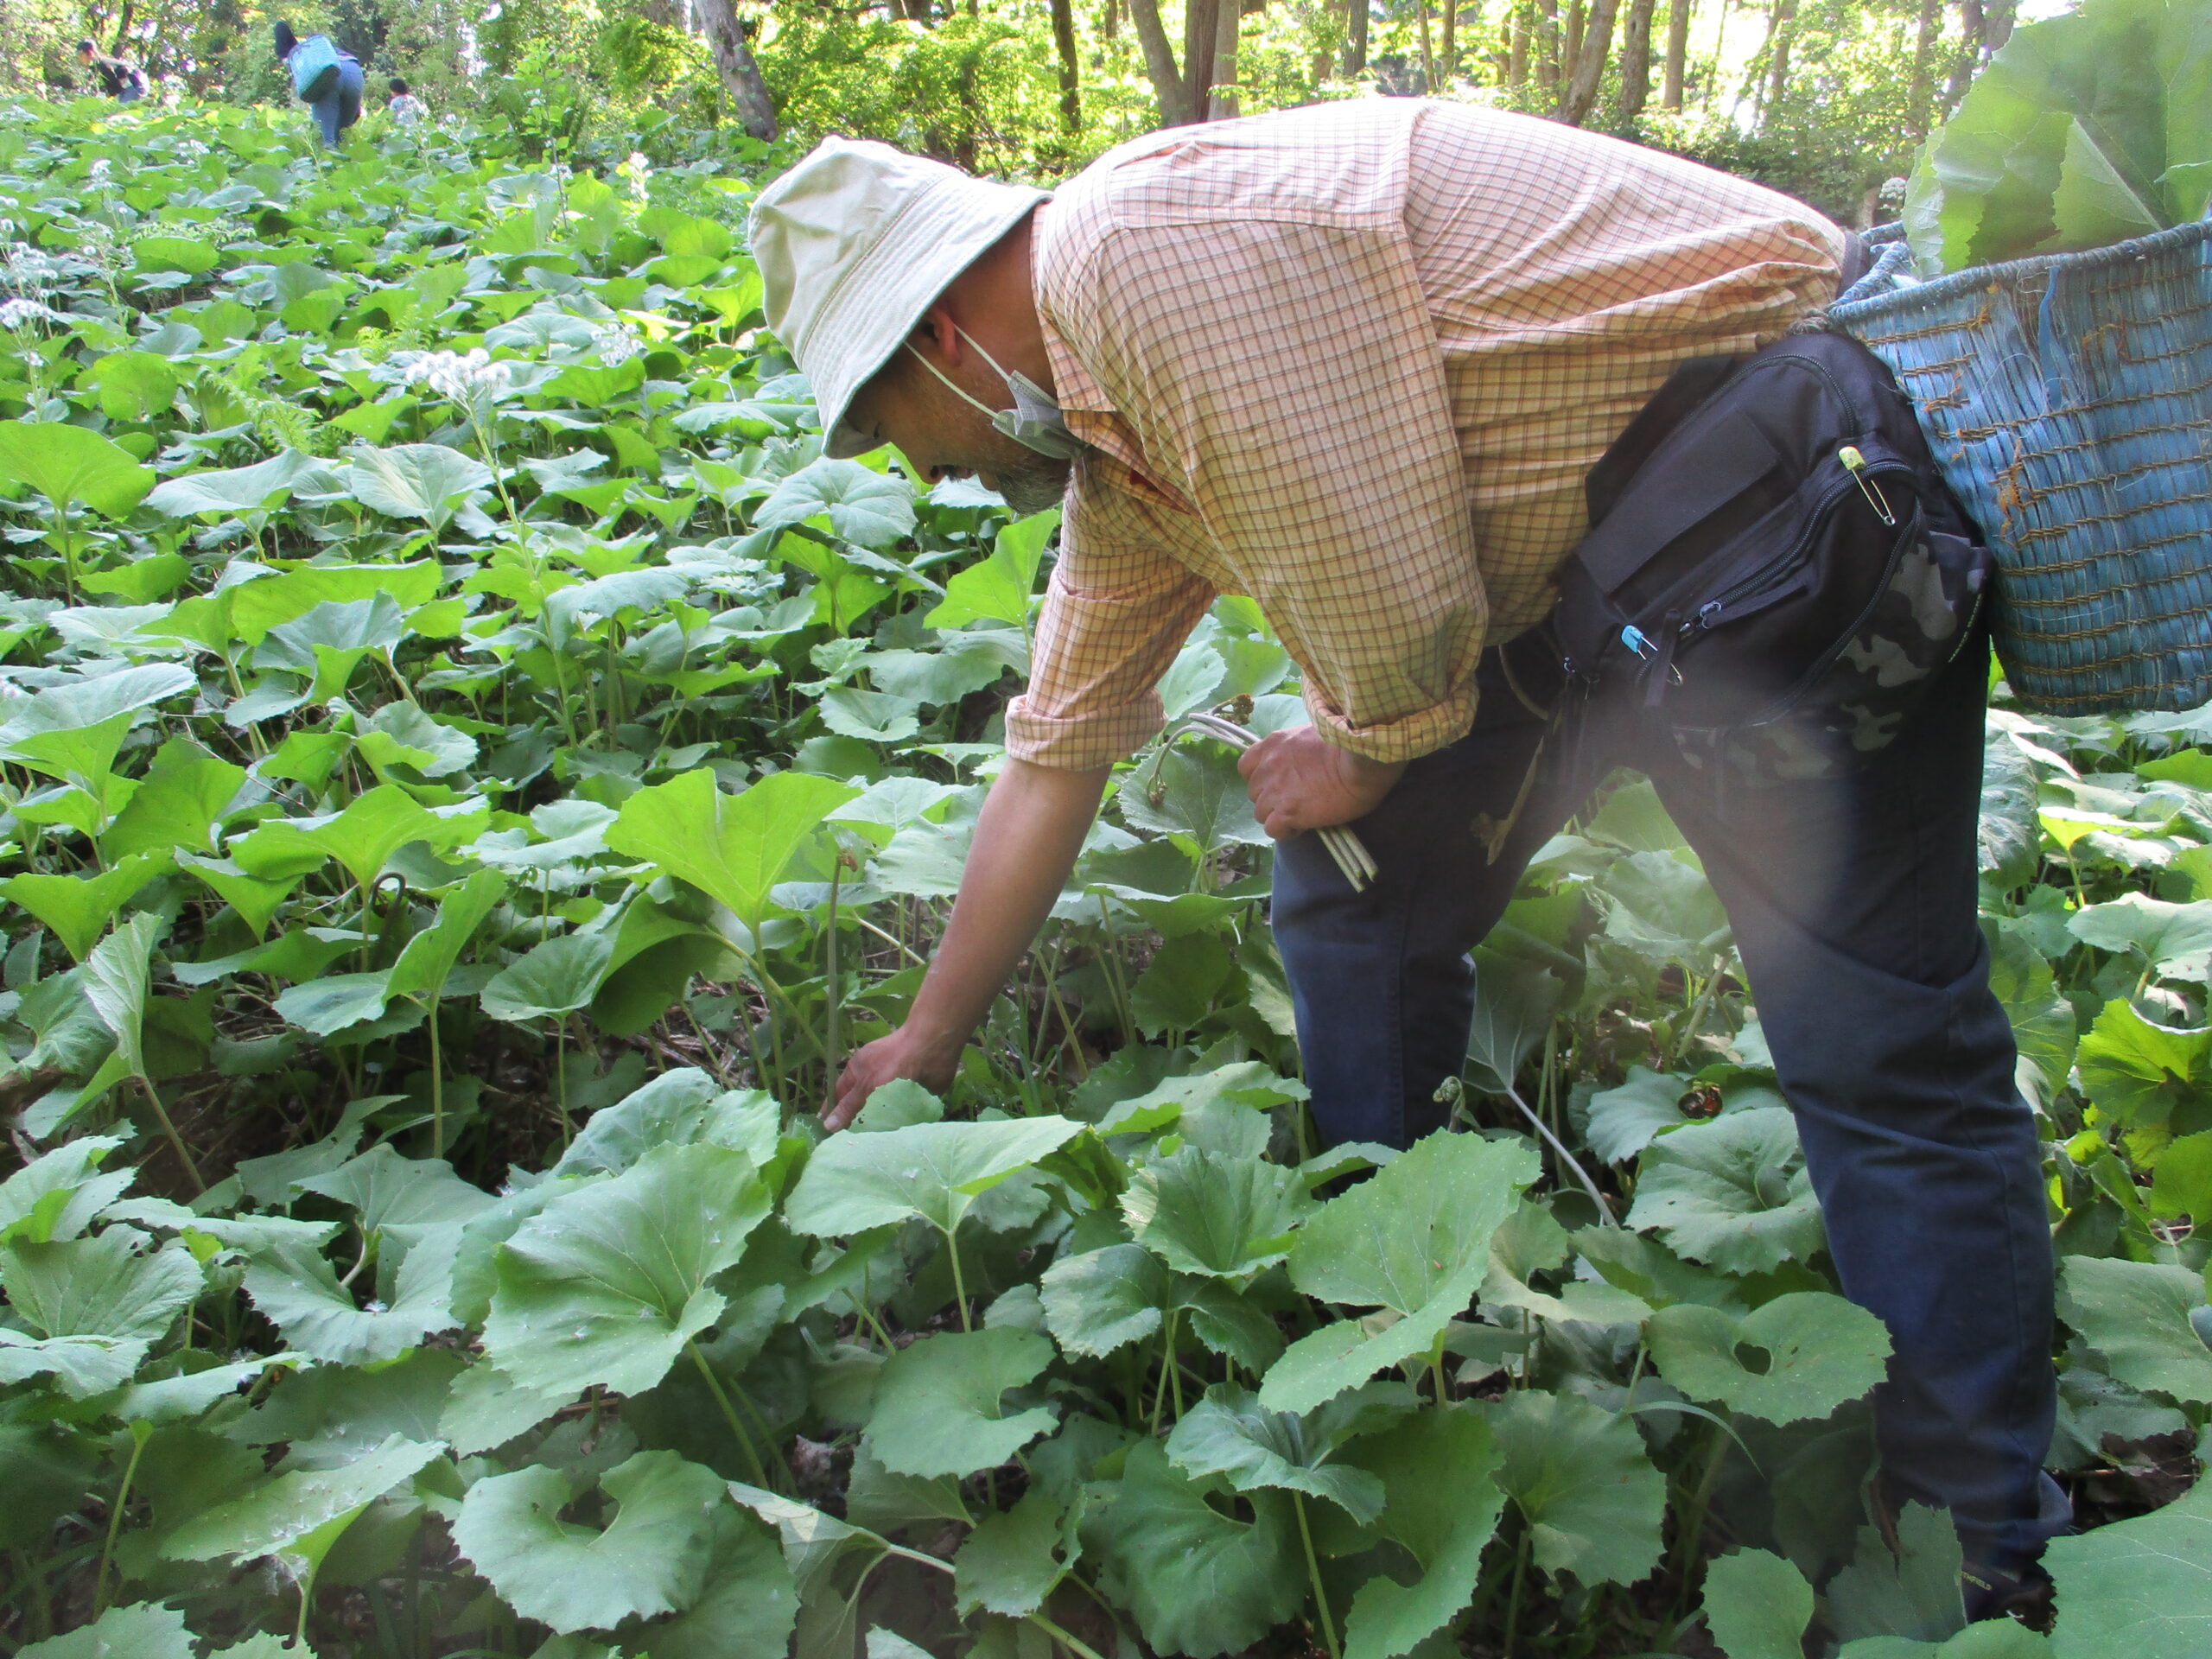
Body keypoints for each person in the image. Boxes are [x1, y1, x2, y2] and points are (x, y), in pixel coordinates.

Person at [750, 100, 2070, 1616]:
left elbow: (1389, 600)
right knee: (1354, 886)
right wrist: (928, 1034)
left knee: (1874, 1038)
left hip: (1777, 483)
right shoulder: (1120, 453)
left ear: (934, 342)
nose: (912, 471)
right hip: (1577, 575)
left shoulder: (1136, 255)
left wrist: (1357, 751)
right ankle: (1395, 1309)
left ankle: (1974, 1541)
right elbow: (1057, 750)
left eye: (880, 425)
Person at [271, 20, 363, 149]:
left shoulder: (296, 57)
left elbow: (304, 94)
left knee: (326, 142)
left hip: (327, 77)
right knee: (342, 137)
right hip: (354, 70)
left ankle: (327, 156)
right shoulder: (322, 47)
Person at [75, 40, 146, 105]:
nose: (79, 58)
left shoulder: (102, 64)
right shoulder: (95, 66)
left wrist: (105, 95)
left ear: (90, 53)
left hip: (135, 84)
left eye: (81, 54)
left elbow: (115, 85)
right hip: (130, 86)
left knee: (121, 110)